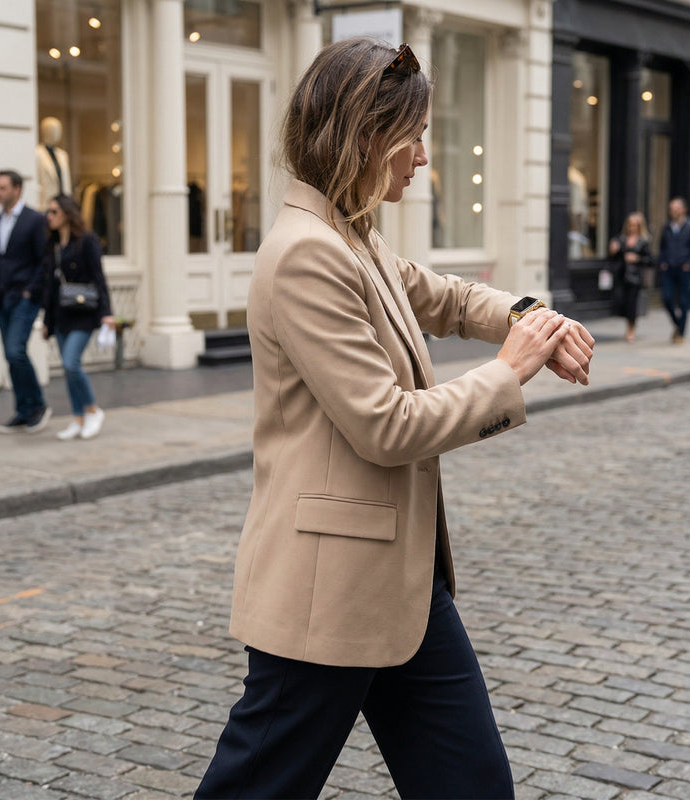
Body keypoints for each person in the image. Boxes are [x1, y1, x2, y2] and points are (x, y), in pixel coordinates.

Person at [194, 38, 594, 800]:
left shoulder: (354, 236)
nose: (423, 156)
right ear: (363, 137)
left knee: (474, 786)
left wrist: (533, 317)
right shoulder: (307, 254)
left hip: (403, 585)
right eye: (413, 137)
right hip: (326, 592)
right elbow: (385, 426)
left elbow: (446, 297)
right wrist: (509, 371)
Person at [0, 170, 51, 434]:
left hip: (25, 299)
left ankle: (38, 405)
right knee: (11, 355)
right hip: (2, 298)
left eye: (3, 188)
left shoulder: (35, 220)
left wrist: (30, 291)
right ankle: (23, 410)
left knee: (15, 350)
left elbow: (44, 261)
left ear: (17, 189)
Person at [41, 194, 114, 440]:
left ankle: (92, 410)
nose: (49, 217)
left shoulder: (87, 241)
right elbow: (50, 288)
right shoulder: (52, 244)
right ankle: (78, 417)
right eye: (48, 212)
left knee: (72, 363)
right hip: (60, 314)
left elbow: (99, 278)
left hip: (83, 313)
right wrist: (47, 322)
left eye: (54, 212)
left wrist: (106, 314)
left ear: (67, 214)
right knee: (68, 368)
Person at [659, 196, 690, 343]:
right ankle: (678, 324)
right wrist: (663, 262)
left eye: (676, 209)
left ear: (684, 210)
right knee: (667, 298)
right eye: (671, 209)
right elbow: (662, 247)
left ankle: (681, 333)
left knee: (684, 301)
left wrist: (689, 263)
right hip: (669, 269)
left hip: (684, 270)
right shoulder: (667, 227)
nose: (673, 212)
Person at [608, 211, 653, 342]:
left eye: (635, 225)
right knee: (622, 301)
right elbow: (613, 257)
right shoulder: (621, 239)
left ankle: (631, 329)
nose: (632, 227)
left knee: (632, 303)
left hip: (635, 277)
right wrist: (613, 250)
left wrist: (637, 258)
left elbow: (650, 260)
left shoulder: (643, 241)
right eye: (630, 224)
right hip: (621, 275)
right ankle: (628, 325)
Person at [36, 116, 73, 208]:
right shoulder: (37, 153)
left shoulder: (62, 154)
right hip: (45, 203)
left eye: (58, 130)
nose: (57, 133)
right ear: (44, 131)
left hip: (63, 204)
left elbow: (66, 182)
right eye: (53, 130)